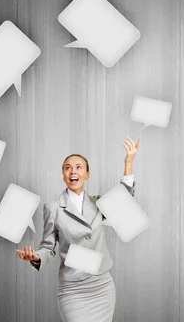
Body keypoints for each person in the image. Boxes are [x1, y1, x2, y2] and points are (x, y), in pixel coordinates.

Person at [15, 137, 141, 322]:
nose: (73, 171)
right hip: (73, 289)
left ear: (87, 175)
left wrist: (128, 163)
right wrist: (36, 257)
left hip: (102, 286)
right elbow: (48, 247)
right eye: (68, 167)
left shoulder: (98, 203)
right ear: (63, 175)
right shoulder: (53, 208)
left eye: (79, 167)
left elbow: (124, 201)